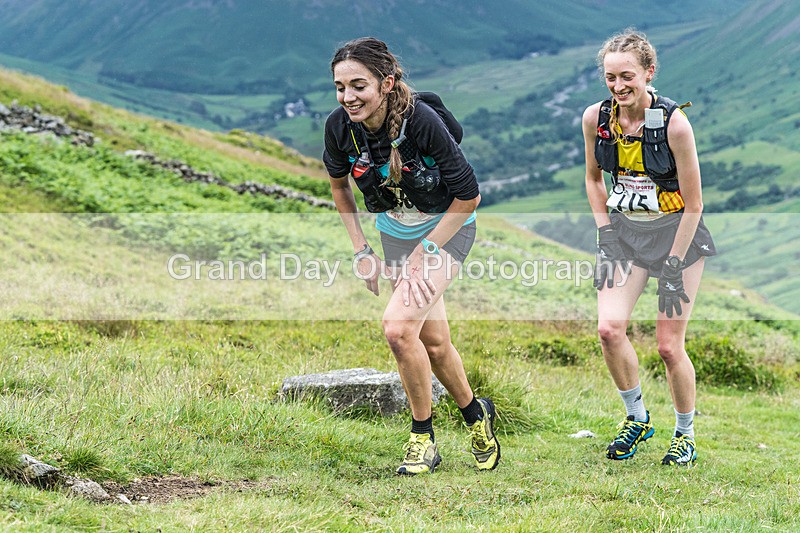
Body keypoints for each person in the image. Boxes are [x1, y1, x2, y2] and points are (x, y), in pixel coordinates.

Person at [322, 37, 500, 475]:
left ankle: (423, 437)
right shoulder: (339, 126)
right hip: (395, 235)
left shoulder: (420, 122)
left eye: (358, 86)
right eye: (340, 87)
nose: (348, 97)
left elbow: (468, 198)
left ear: (386, 82)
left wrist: (427, 250)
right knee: (434, 344)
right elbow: (340, 185)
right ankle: (478, 416)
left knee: (398, 329)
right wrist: (361, 249)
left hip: (446, 230)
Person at [581, 29, 716, 466]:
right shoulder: (596, 119)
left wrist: (674, 265)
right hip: (625, 236)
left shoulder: (675, 123)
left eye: (627, 77)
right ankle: (637, 418)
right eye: (610, 78)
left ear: (648, 72)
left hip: (678, 235)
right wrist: (604, 233)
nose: (618, 87)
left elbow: (694, 204)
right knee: (608, 329)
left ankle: (685, 435)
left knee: (668, 346)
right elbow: (592, 178)